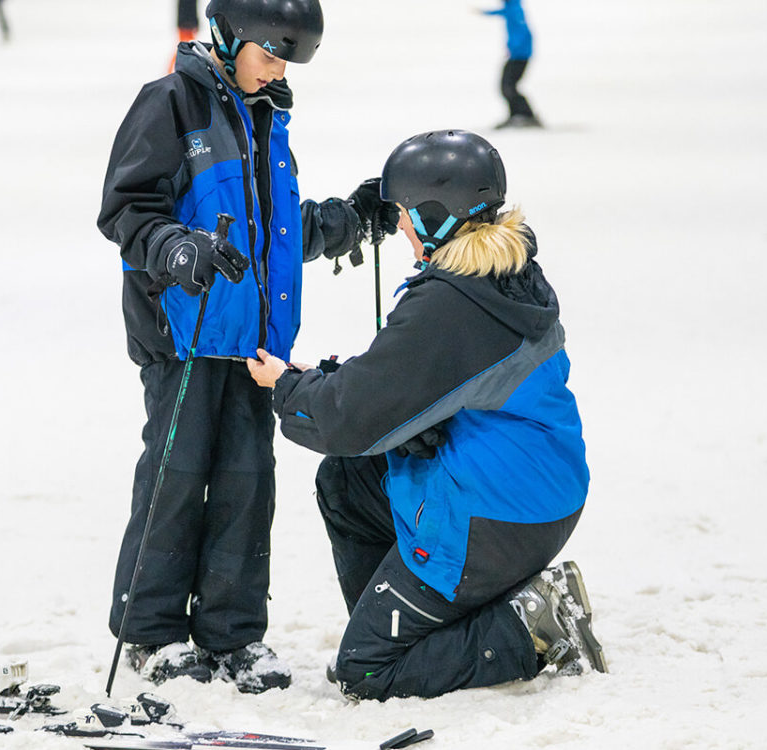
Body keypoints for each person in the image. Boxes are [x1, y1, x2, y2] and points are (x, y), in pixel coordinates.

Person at [96, 0, 395, 694]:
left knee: (247, 484)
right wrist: (176, 248)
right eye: (269, 54)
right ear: (229, 35)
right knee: (176, 480)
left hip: (254, 344)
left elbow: (276, 230)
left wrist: (349, 221)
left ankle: (232, 634)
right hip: (185, 334)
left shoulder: (266, 116)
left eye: (289, 59)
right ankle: (152, 633)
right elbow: (127, 208)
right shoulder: (171, 103)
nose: (278, 70)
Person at [247, 130, 605, 700]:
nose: (399, 226)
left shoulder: (452, 302)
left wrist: (288, 386)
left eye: (406, 213)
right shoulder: (498, 271)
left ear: (437, 215)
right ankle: (412, 623)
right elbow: (415, 379)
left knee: (365, 672)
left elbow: (349, 419)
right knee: (348, 481)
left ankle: (527, 627)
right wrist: (336, 381)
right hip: (535, 489)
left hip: (499, 514)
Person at [484, 0, 542, 128]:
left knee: (508, 87)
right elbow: (503, 12)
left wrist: (516, 48)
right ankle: (517, 115)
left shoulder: (515, 10)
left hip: (520, 56)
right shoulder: (511, 7)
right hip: (517, 55)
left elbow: (525, 33)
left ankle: (525, 115)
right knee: (507, 87)